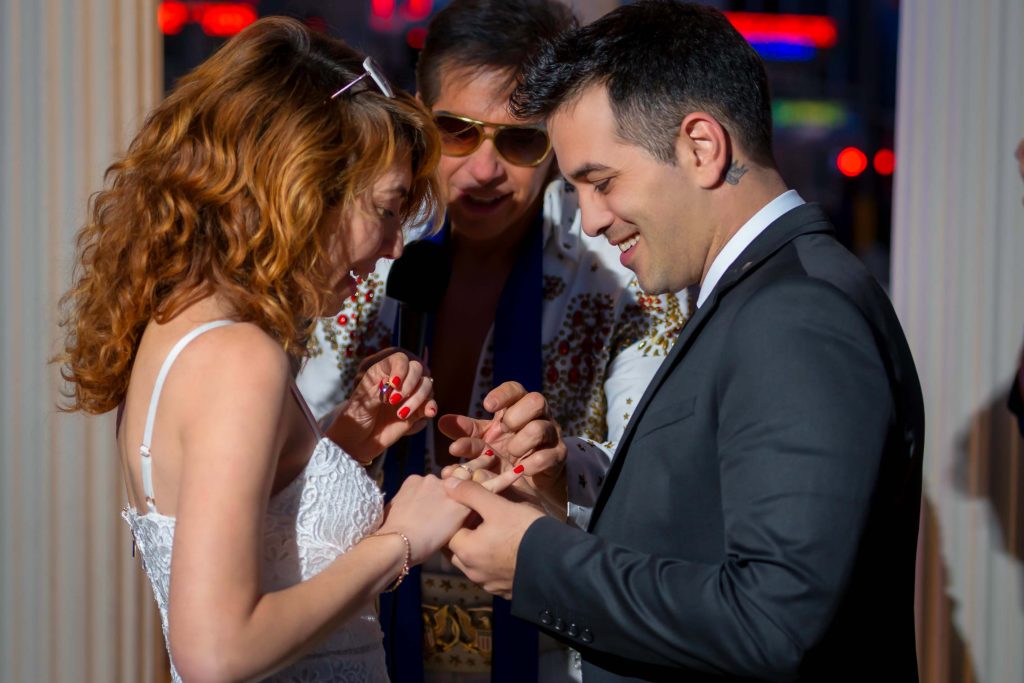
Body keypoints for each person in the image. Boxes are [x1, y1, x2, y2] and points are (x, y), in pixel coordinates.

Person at [439, 2, 926, 682]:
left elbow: (772, 619)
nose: (590, 221)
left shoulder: (797, 314)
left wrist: (536, 561)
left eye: (601, 182)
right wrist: (557, 496)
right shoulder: (756, 298)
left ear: (702, 147)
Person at [57, 17, 523, 682]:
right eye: (388, 209)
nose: (396, 246)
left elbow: (269, 531)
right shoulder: (239, 359)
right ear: (304, 190)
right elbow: (216, 650)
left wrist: (356, 434)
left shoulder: (181, 325)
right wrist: (401, 540)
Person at [296, 2, 688, 681]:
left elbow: (656, 491)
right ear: (420, 116)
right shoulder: (361, 253)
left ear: (558, 139)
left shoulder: (627, 277)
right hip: (366, 637)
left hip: (552, 651)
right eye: (456, 131)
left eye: (519, 142)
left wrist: (560, 466)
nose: (483, 170)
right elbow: (291, 465)